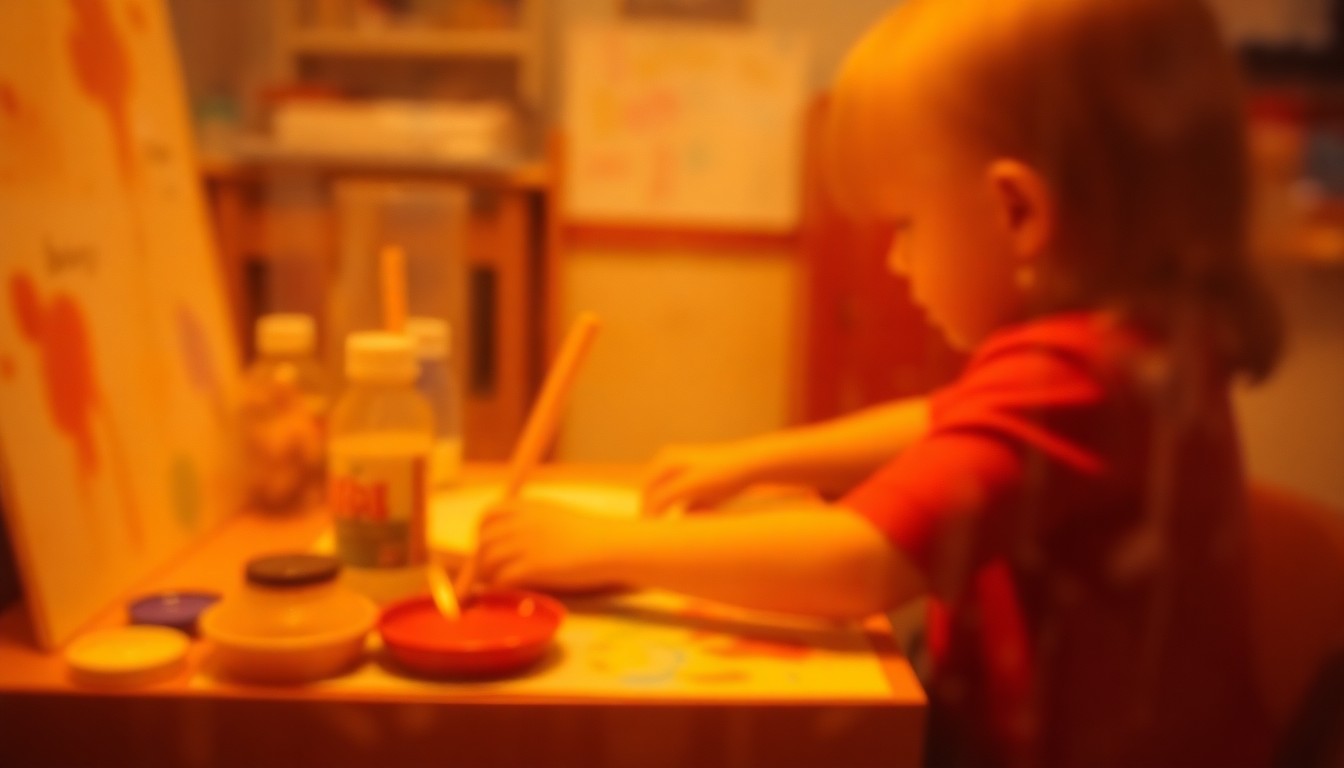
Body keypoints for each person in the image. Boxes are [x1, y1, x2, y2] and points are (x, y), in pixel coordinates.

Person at [470, 0, 1282, 764]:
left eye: (907, 224)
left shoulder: (1081, 371)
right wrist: (754, 460)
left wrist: (605, 546)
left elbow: (859, 562)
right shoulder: (1137, 347)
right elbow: (944, 421)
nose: (896, 262)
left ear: (1018, 214)